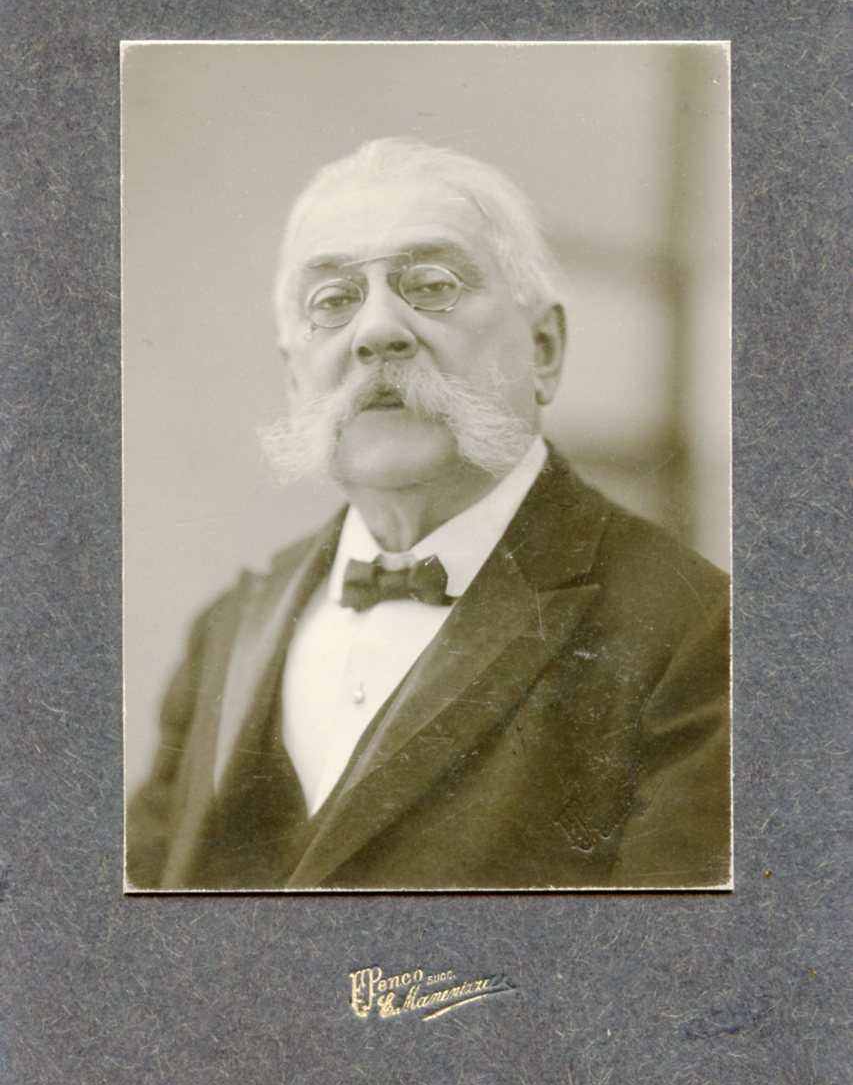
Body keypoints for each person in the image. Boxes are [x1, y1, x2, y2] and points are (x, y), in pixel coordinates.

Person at [126, 137, 730, 892]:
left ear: (543, 349)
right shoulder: (227, 629)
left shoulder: (697, 633)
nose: (377, 332)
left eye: (433, 285)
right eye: (333, 301)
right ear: (294, 379)